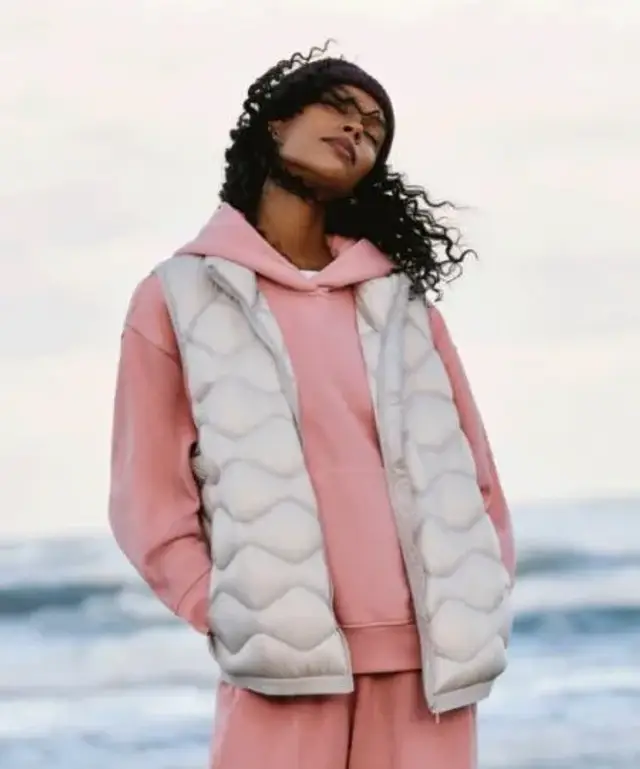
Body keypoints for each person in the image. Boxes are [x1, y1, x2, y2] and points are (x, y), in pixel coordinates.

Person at [108, 43, 516, 769]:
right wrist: (226, 609)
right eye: (340, 108)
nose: (358, 129)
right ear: (275, 123)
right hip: (285, 666)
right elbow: (147, 497)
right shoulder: (180, 296)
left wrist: (481, 592)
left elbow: (477, 475)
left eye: (374, 128)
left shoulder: (401, 303)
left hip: (430, 668)